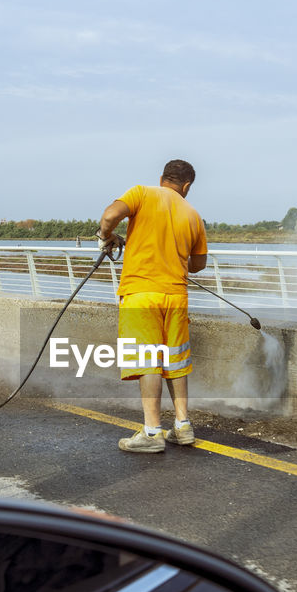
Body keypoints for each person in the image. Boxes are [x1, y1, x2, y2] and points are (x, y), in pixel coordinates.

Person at [97, 159, 208, 453]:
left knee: (149, 361)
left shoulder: (142, 193)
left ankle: (151, 432)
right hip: (175, 296)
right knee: (176, 361)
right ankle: (183, 427)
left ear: (162, 179)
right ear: (186, 186)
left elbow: (109, 216)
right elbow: (198, 265)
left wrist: (106, 237)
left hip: (141, 294)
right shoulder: (193, 214)